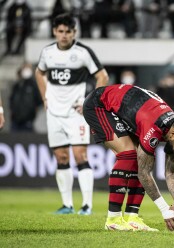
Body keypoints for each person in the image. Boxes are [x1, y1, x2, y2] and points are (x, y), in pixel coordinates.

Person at [83, 84, 174, 231]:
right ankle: (113, 220)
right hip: (99, 104)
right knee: (129, 156)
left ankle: (132, 218)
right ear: (173, 134)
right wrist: (165, 210)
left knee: (142, 159)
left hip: (126, 110)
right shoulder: (154, 126)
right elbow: (143, 173)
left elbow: (172, 172)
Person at [35, 13, 109, 215]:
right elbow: (39, 72)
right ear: (54, 32)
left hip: (76, 113)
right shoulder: (47, 52)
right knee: (61, 157)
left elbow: (102, 76)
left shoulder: (83, 52)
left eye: (68, 31)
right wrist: (45, 97)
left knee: (80, 155)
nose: (64, 35)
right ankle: (67, 205)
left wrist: (90, 101)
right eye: (60, 31)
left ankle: (87, 205)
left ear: (74, 32)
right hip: (54, 113)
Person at [9, 63, 42, 132]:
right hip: (15, 120)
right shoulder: (17, 85)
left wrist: (33, 109)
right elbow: (11, 99)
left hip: (28, 120)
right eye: (24, 68)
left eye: (28, 68)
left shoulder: (33, 85)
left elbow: (39, 100)